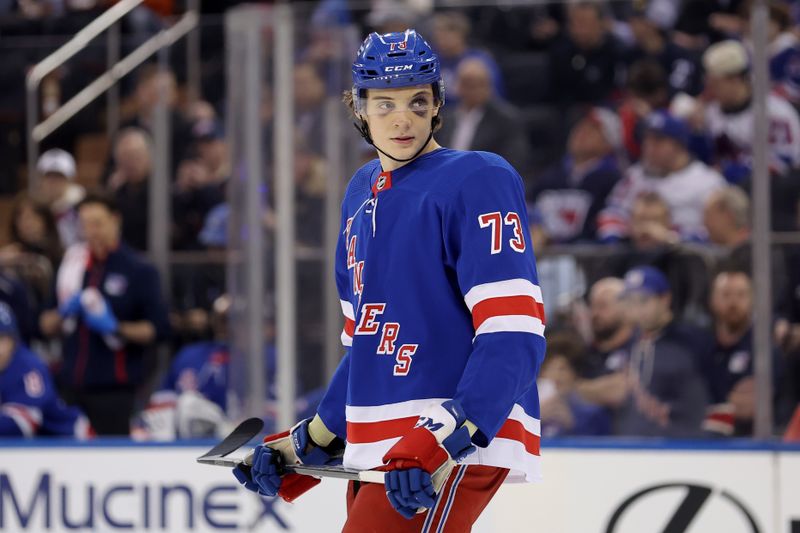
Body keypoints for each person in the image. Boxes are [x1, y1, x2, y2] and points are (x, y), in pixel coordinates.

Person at [233, 29, 546, 532]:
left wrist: (449, 432)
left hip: (449, 441)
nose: (401, 118)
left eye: (417, 102)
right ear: (358, 109)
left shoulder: (478, 177)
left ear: (438, 104)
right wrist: (309, 441)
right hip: (380, 443)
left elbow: (515, 331)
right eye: (384, 104)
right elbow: (369, 344)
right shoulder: (360, 193)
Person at [38, 192, 170, 435]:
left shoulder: (138, 269)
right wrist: (62, 313)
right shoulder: (71, 266)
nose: (91, 231)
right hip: (70, 387)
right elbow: (44, 324)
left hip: (114, 390)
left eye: (97, 223)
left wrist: (115, 327)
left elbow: (158, 329)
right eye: (85, 225)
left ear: (115, 220)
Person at [598, 110, 725, 242]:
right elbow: (612, 212)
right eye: (646, 140)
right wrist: (619, 239)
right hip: (635, 254)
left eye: (657, 141)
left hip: (686, 256)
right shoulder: (635, 175)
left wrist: (671, 237)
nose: (649, 147)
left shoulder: (708, 182)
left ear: (678, 145)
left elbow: (719, 230)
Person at [614, 266, 710, 437]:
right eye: (630, 301)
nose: (636, 309)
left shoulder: (690, 340)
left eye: (643, 300)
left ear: (665, 299)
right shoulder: (630, 343)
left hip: (681, 441)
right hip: (634, 441)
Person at [702, 39, 800, 182]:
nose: (710, 90)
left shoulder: (775, 111)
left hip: (774, 188)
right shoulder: (712, 111)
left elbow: (785, 163)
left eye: (716, 84)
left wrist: (734, 170)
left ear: (735, 80)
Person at [529, 107, 624, 243]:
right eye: (580, 126)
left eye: (592, 130)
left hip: (586, 256)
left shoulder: (612, 181)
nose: (581, 133)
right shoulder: (549, 176)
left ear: (608, 143)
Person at [0, 302, 92, 438]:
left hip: (73, 443)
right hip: (34, 448)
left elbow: (24, 422)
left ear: (14, 340)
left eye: (1, 339)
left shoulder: (28, 367)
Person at [35, 148, 85, 248]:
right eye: (48, 176)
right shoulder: (36, 209)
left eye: (59, 177)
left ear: (71, 179)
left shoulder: (82, 208)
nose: (53, 183)